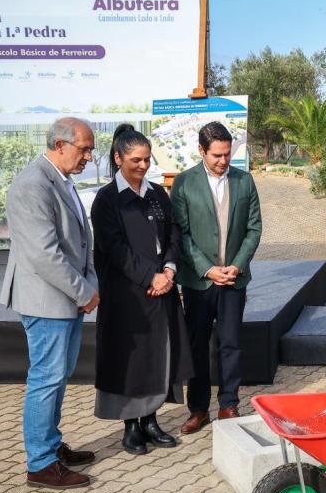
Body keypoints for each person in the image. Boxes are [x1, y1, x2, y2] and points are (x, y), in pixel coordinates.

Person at [0, 117, 99, 489]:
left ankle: (51, 446)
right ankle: (40, 463)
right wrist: (86, 292)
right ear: (60, 145)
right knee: (46, 378)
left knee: (56, 377)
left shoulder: (59, 179)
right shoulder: (32, 184)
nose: (89, 156)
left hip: (64, 300)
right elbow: (45, 255)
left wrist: (87, 285)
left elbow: (79, 243)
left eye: (90, 149)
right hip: (47, 302)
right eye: (84, 148)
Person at [90, 124, 193, 455]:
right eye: (136, 160)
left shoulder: (156, 193)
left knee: (157, 357)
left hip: (161, 291)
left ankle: (151, 420)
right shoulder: (107, 201)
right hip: (128, 298)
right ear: (118, 158)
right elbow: (115, 249)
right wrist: (151, 277)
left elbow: (174, 233)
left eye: (148, 159)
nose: (143, 166)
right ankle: (131, 427)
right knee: (131, 361)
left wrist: (169, 269)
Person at [171, 121, 262, 434]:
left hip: (234, 280)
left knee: (231, 344)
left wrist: (236, 265)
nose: (223, 161)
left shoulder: (245, 182)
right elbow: (180, 234)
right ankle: (198, 409)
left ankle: (228, 404)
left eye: (227, 154)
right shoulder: (183, 184)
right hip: (199, 281)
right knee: (196, 345)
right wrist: (207, 269)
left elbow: (254, 229)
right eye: (217, 155)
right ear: (201, 151)